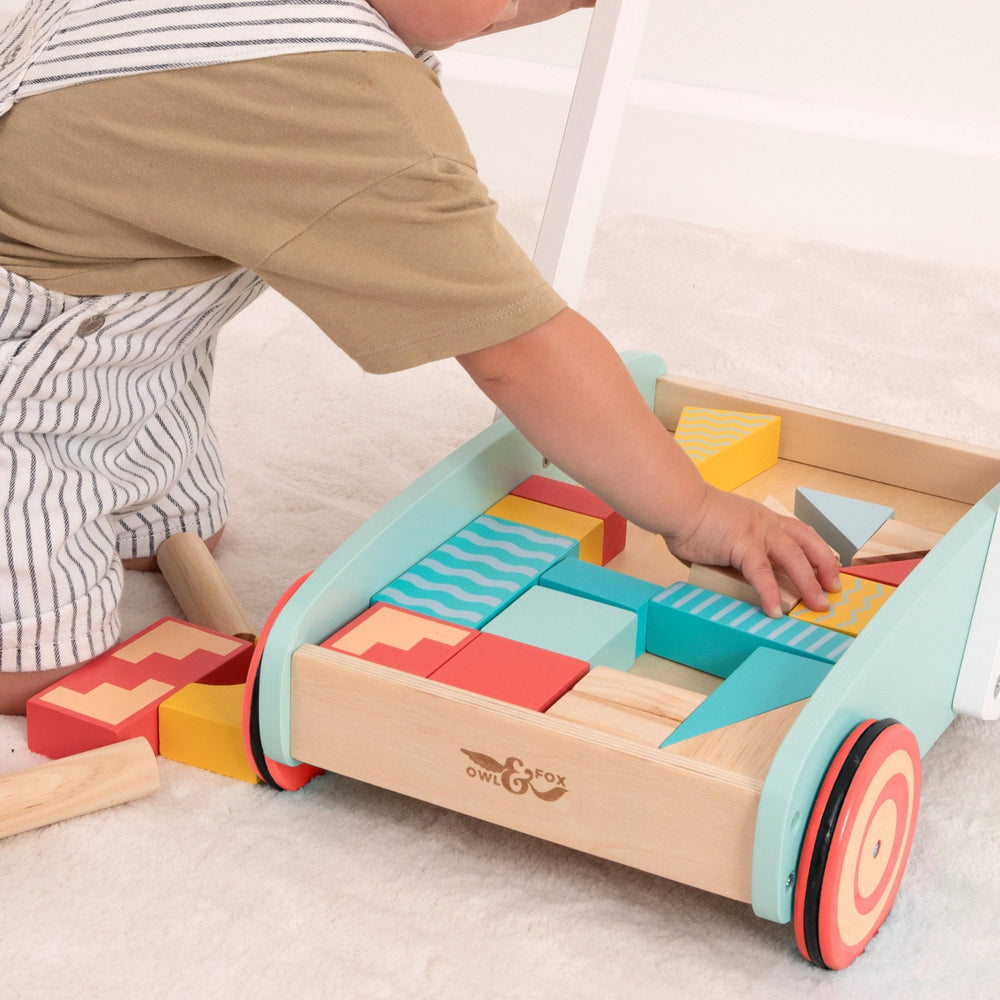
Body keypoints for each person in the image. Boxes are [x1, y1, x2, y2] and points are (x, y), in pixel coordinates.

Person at [0, 0, 840, 713]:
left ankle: (99, 491)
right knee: (32, 666)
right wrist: (695, 510)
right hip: (22, 381)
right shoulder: (335, 102)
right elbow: (519, 346)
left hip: (133, 347)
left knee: (179, 528)